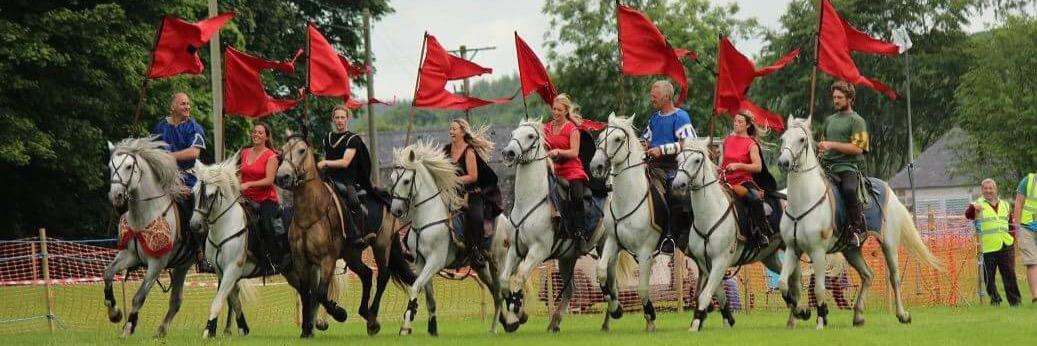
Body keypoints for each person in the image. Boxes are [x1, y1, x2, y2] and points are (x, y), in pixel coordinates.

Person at [152, 92, 207, 267]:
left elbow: (194, 152)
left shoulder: (194, 128)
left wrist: (169, 156)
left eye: (188, 104)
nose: (187, 107)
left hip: (187, 176)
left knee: (193, 203)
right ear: (173, 107)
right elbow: (151, 151)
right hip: (163, 176)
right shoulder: (160, 127)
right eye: (183, 104)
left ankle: (199, 249)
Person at [642, 80, 697, 253]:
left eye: (654, 95)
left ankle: (670, 236)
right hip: (652, 166)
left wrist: (662, 149)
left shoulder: (680, 117)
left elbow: (687, 143)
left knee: (674, 198)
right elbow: (646, 140)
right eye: (651, 95)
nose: (651, 98)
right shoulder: (654, 117)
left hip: (673, 167)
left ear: (666, 96)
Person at [445, 118, 504, 268]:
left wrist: (454, 180)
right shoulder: (446, 150)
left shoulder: (469, 151)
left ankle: (476, 251)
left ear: (463, 132)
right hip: (451, 194)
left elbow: (473, 177)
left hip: (473, 193)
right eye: (450, 129)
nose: (451, 131)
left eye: (454, 129)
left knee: (475, 217)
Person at [818, 81, 868, 247]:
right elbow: (824, 143)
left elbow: (858, 149)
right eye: (834, 97)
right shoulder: (829, 120)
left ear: (850, 99)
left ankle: (856, 229)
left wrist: (831, 145)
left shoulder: (857, 121)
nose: (836, 100)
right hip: (827, 168)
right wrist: (822, 150)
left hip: (847, 168)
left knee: (848, 190)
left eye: (840, 97)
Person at [317, 106, 374, 249]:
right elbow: (327, 156)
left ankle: (357, 234)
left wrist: (325, 162)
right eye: (337, 118)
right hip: (328, 177)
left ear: (347, 119)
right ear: (333, 119)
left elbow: (345, 162)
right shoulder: (327, 138)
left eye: (342, 118)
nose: (339, 121)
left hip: (347, 179)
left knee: (353, 201)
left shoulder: (352, 139)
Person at [720, 111, 774, 246]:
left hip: (743, 182)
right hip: (725, 181)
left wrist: (738, 165)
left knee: (754, 198)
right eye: (735, 121)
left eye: (740, 122)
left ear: (748, 125)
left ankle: (762, 233)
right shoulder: (727, 140)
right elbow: (722, 162)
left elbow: (758, 167)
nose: (736, 124)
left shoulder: (751, 144)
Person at [965, 179, 1021, 306]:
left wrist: (1013, 239)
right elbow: (968, 215)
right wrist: (973, 208)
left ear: (996, 190)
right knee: (988, 277)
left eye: (991, 188)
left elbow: (1010, 224)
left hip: (1006, 245)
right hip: (988, 247)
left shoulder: (1005, 204)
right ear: (982, 190)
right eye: (986, 188)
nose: (988, 191)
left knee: (1010, 275)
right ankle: (995, 298)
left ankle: (1015, 302)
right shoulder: (977, 204)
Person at [238, 122, 287, 264]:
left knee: (266, 225)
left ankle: (272, 258)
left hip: (266, 198)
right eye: (254, 132)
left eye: (260, 133)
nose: (256, 135)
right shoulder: (245, 152)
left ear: (266, 137)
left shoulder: (271, 156)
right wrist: (237, 185)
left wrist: (249, 184)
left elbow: (269, 180)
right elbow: (242, 174)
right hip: (246, 197)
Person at [544, 94, 590, 240]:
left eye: (559, 110)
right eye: (554, 109)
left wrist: (558, 151)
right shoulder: (546, 128)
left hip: (572, 170)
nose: (556, 112)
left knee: (577, 196)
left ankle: (580, 230)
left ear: (565, 111)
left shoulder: (572, 129)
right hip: (553, 169)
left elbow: (574, 152)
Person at [1012, 172, 1037, 304]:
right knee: (1032, 262)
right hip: (1027, 228)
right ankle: (1035, 296)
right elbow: (1018, 204)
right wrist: (1016, 229)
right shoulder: (1027, 181)